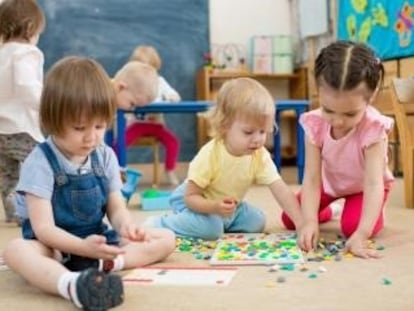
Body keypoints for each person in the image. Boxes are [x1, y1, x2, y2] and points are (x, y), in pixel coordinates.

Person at [3, 56, 176, 310]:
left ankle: (105, 264)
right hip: (53, 248)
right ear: (54, 119)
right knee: (15, 251)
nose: (92, 137)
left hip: (97, 242)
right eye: (80, 127)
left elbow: (116, 208)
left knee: (167, 238)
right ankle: (70, 283)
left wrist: (126, 226)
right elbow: (44, 230)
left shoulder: (104, 154)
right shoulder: (40, 162)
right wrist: (81, 247)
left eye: (99, 126)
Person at [144, 77, 303, 240]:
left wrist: (300, 223)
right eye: (248, 132)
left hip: (227, 205)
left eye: (263, 132)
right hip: (195, 200)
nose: (257, 139)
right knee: (211, 230)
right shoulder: (210, 154)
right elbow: (190, 197)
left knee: (257, 222)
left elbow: (281, 190)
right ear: (225, 125)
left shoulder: (259, 154)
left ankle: (220, 222)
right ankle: (159, 223)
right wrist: (214, 207)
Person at [281, 41, 394, 259]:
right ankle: (332, 210)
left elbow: (373, 183)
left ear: (371, 97)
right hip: (329, 183)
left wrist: (362, 234)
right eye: (329, 110)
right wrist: (310, 221)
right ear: (318, 93)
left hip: (364, 188)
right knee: (292, 218)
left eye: (350, 114)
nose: (338, 121)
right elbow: (312, 178)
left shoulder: (374, 128)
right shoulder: (314, 123)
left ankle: (365, 213)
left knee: (352, 227)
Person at [0, 0, 45, 223]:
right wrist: (46, 104)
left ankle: (11, 208)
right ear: (29, 29)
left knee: (7, 174)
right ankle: (30, 211)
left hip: (1, 129)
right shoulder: (27, 53)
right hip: (23, 128)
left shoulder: (2, 53)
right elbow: (27, 86)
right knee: (35, 167)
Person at [127, 45, 181, 185]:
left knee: (173, 142)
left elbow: (173, 94)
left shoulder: (160, 82)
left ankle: (169, 170)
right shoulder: (132, 83)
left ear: (155, 68)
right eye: (141, 69)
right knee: (118, 144)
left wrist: (172, 97)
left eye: (149, 69)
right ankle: (116, 171)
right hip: (137, 125)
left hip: (156, 126)